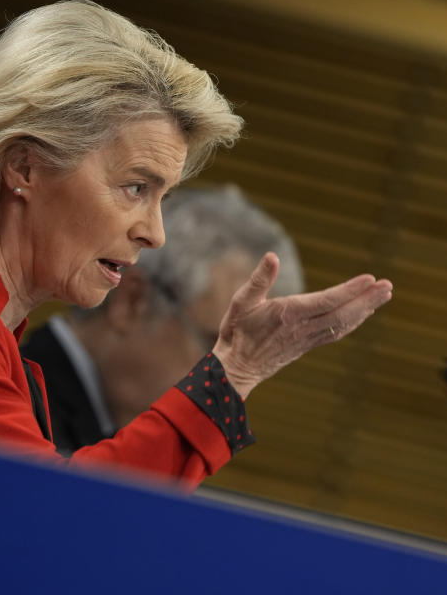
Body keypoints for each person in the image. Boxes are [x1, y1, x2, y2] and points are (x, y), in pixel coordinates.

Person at [0, 0, 392, 487]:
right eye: (135, 187)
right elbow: (59, 529)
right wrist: (232, 372)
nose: (155, 233)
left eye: (162, 196)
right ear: (23, 166)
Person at [20, 185, 305, 454]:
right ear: (133, 302)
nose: (228, 385)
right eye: (216, 347)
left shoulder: (122, 439)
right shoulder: (14, 412)